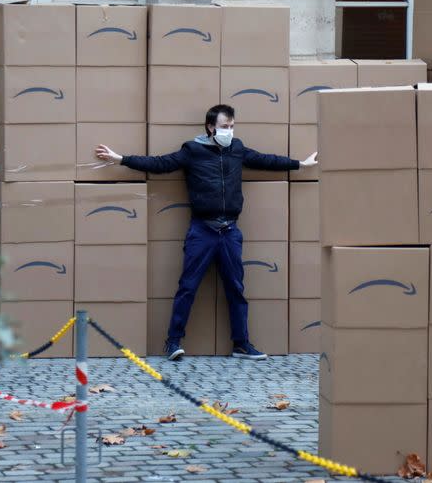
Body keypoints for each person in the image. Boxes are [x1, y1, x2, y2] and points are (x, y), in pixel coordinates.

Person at [96, 104, 318, 361]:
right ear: (211, 127)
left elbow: (266, 160)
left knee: (236, 288)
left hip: (230, 231)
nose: (229, 131)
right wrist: (122, 159)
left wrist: (300, 164)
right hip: (202, 230)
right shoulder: (192, 150)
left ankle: (241, 344)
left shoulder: (237, 149)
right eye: (225, 127)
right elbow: (160, 164)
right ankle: (173, 342)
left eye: (232, 127)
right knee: (187, 287)